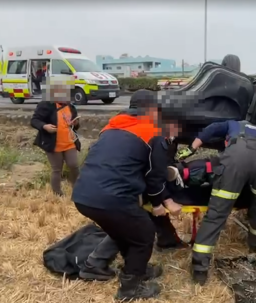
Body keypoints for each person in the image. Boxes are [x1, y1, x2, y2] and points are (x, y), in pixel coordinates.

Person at [71, 90, 183, 301]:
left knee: (124, 231)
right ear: (152, 110)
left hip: (83, 194)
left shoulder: (111, 127)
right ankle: (130, 289)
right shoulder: (153, 131)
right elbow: (154, 175)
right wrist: (159, 203)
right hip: (112, 198)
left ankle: (103, 267)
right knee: (144, 235)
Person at [176, 120, 256, 285]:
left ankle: (200, 270)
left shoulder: (232, 124)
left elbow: (210, 129)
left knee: (216, 214)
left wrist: (191, 149)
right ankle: (255, 245)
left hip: (237, 159)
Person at [30, 78, 80, 196]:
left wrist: (76, 124)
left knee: (73, 165)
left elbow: (75, 125)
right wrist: (45, 126)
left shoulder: (71, 107)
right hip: (53, 143)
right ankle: (57, 194)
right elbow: (34, 120)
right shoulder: (46, 105)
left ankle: (78, 190)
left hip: (69, 142)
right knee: (57, 169)